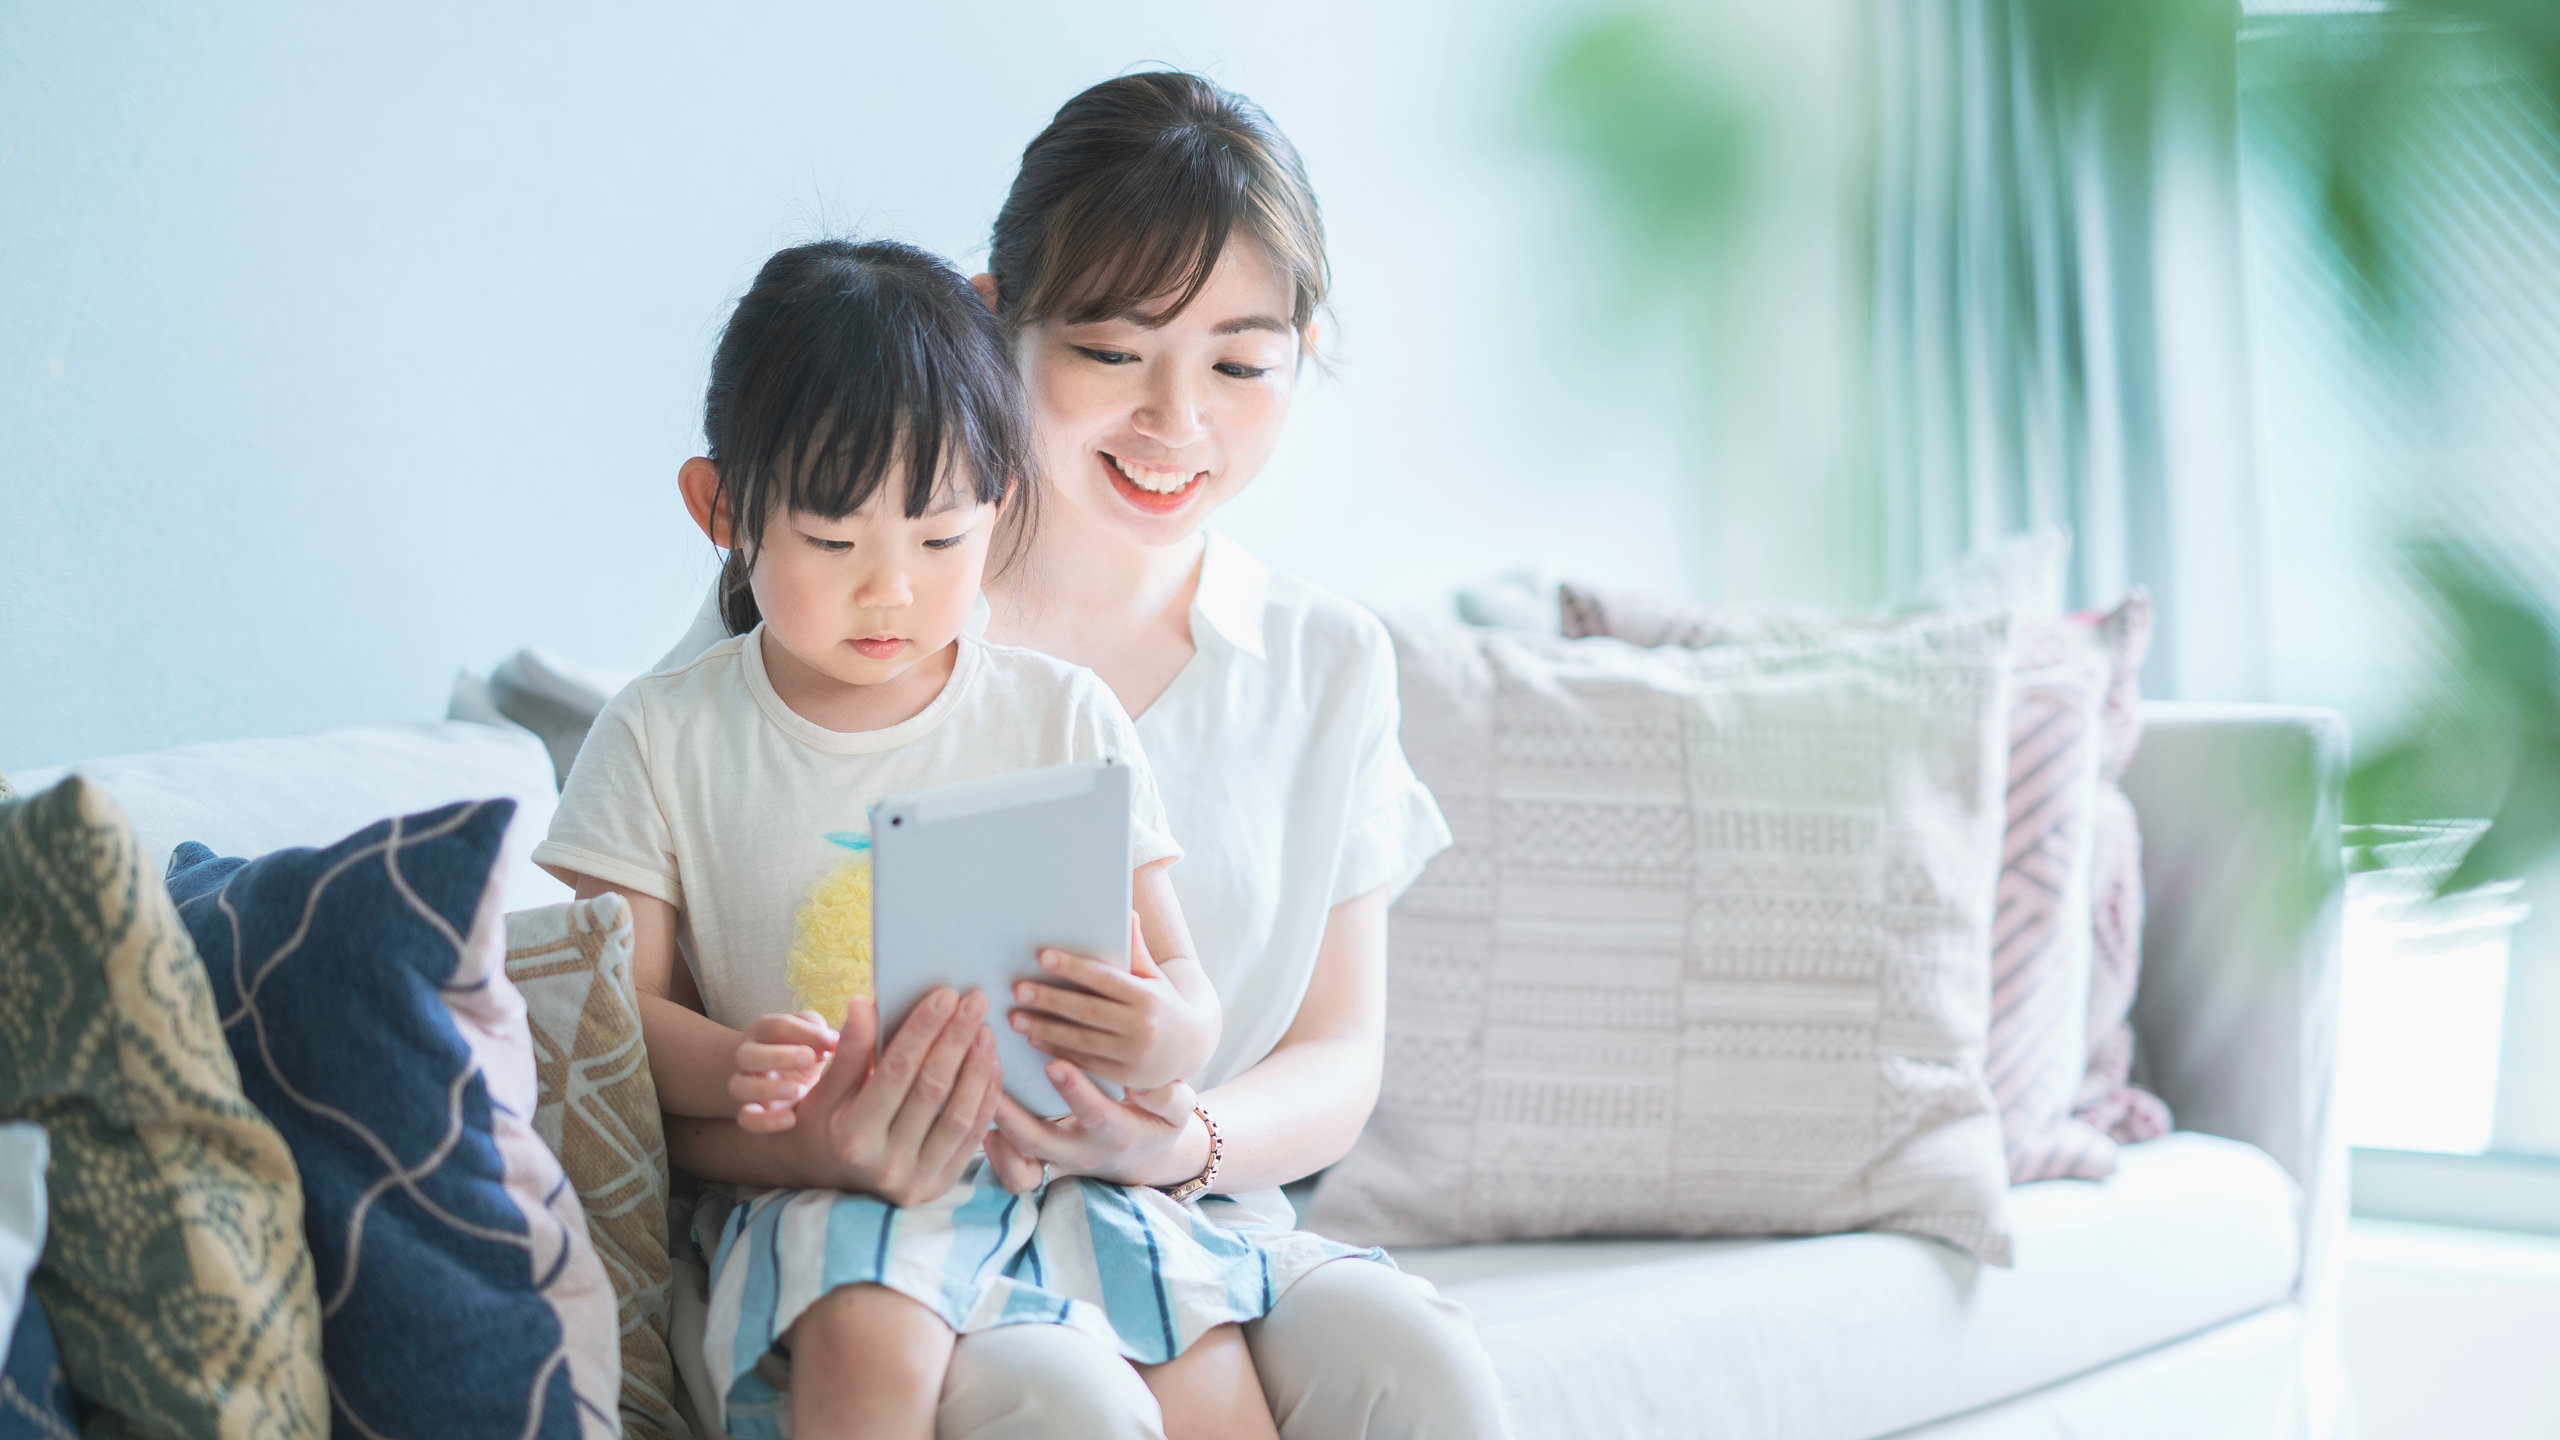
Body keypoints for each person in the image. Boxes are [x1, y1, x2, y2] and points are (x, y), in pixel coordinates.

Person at [661, 76, 1512, 1440]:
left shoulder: (1326, 660)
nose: (1177, 424)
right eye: (1114, 354)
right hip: (876, 1240)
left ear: (1302, 355)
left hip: (1174, 1212)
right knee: (1070, 1410)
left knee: (1426, 1371)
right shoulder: (858, 604)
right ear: (1000, 321)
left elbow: (1340, 1055)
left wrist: (1180, 1141)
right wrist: (823, 1134)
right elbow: (648, 1030)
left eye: (1240, 364)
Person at [539, 238, 1376, 1440]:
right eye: (834, 546)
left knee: (1196, 1355)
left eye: (940, 543)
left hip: (1061, 1170)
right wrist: (749, 1073)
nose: (891, 593)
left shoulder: (1055, 712)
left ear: (999, 507)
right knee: (866, 1335)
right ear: (722, 508)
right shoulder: (666, 733)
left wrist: (1162, 1031)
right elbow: (608, 1021)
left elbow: (1183, 990)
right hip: (828, 1183)